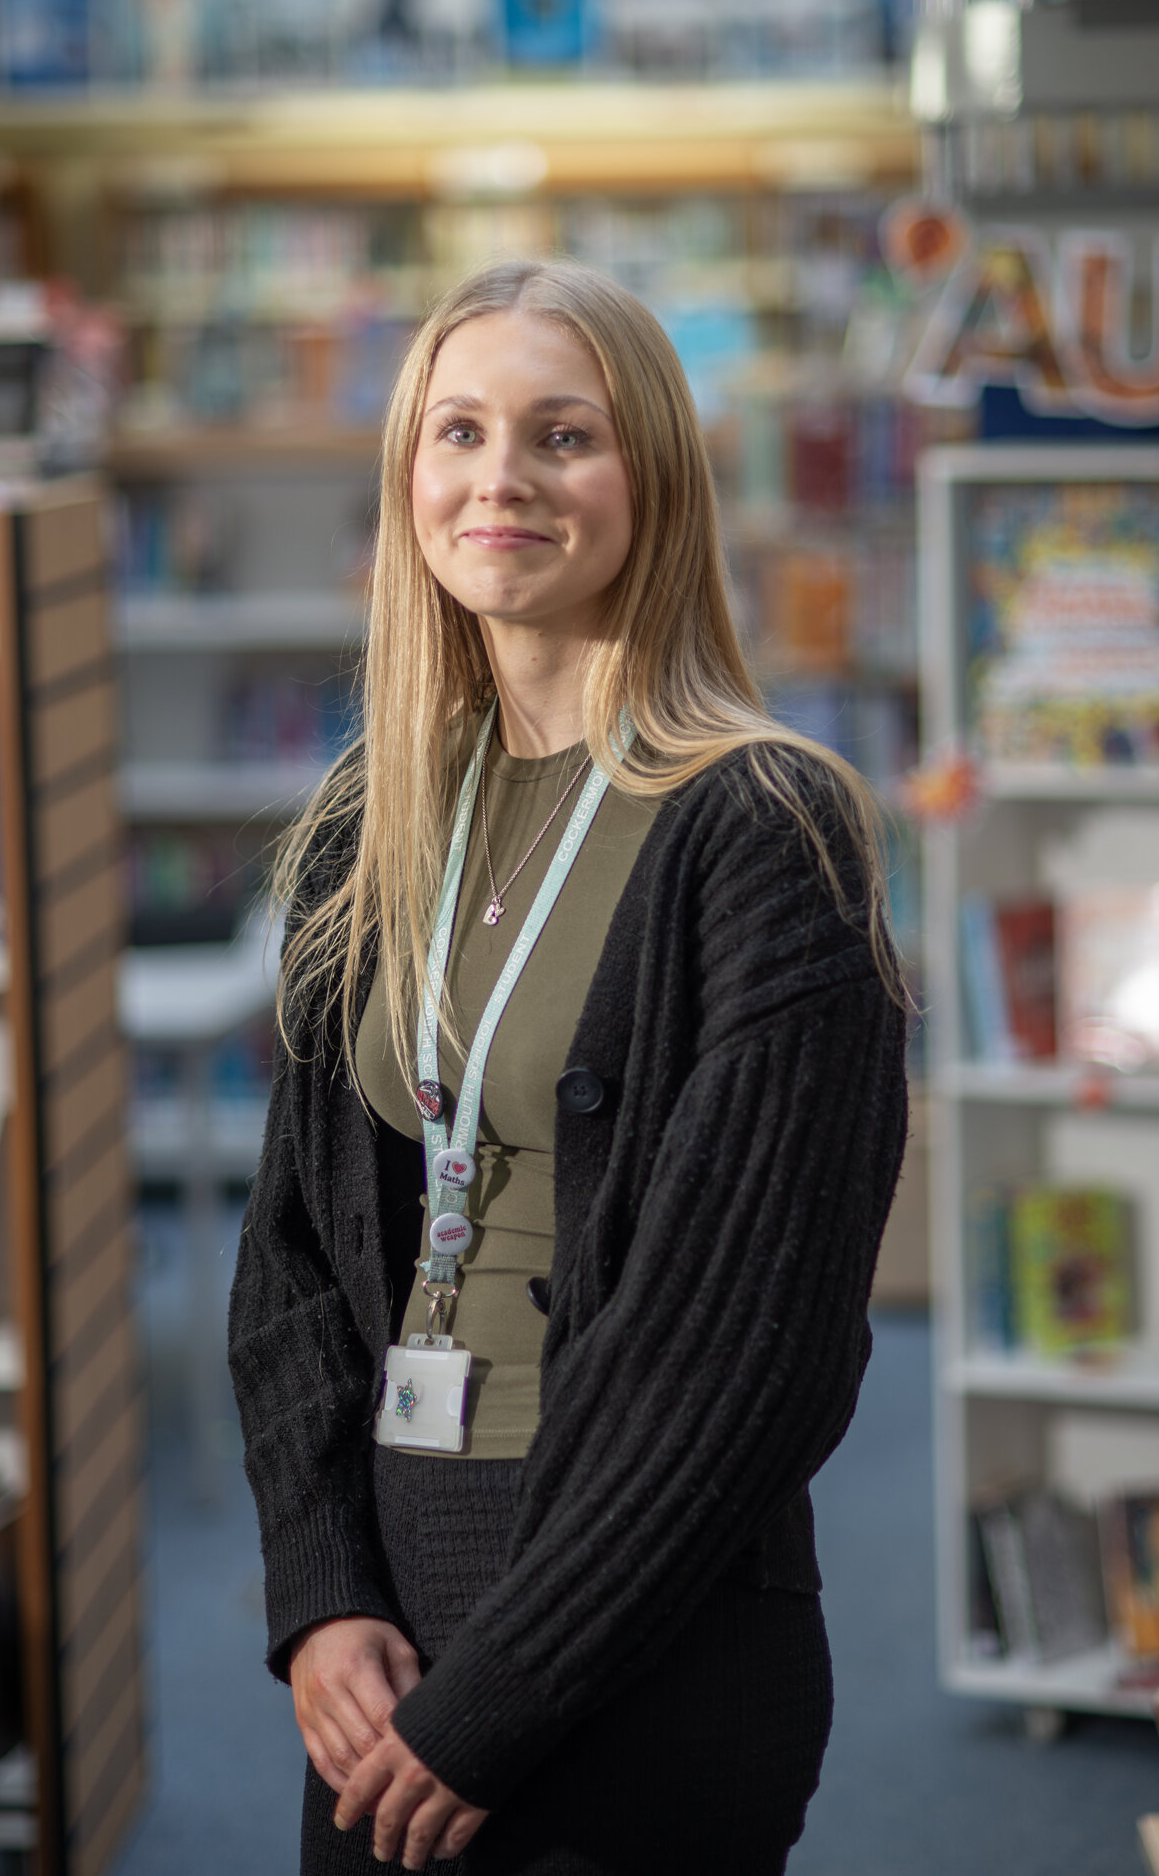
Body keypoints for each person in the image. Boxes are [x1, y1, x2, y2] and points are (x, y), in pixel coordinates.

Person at [228, 257, 909, 1876]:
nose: (502, 479)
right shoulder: (365, 825)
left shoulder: (765, 831)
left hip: (644, 1637)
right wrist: (321, 1600)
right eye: (458, 430)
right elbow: (293, 1262)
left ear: (655, 478)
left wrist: (505, 1696)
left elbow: (748, 1353)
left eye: (564, 435)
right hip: (390, 1622)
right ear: (409, 481)